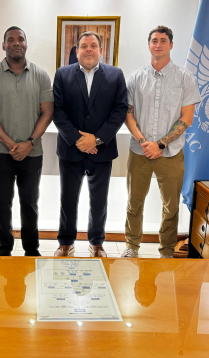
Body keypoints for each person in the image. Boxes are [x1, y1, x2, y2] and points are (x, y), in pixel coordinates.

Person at [122, 25, 201, 259]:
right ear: (149, 45)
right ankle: (132, 246)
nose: (158, 44)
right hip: (140, 151)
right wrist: (145, 142)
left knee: (171, 206)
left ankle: (166, 250)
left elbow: (187, 118)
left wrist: (162, 144)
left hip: (171, 153)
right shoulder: (136, 78)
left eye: (163, 40)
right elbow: (128, 114)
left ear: (171, 45)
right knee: (134, 202)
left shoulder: (185, 78)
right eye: (154, 40)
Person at [0, 26, 54, 256]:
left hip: (32, 152)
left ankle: (31, 250)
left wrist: (29, 142)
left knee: (30, 204)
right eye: (10, 40)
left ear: (26, 44)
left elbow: (47, 112)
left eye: (20, 39)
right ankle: (4, 250)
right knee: (3, 205)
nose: (16, 43)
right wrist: (11, 143)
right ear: (3, 45)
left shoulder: (41, 75)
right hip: (1, 152)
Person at [52, 31, 127, 257]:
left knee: (99, 200)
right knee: (68, 198)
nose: (88, 49)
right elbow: (57, 111)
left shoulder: (115, 75)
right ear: (77, 51)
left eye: (93, 45)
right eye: (84, 46)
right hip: (70, 150)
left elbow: (120, 110)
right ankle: (66, 242)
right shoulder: (62, 74)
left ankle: (97, 242)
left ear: (100, 51)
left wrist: (96, 139)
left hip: (102, 150)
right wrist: (78, 140)